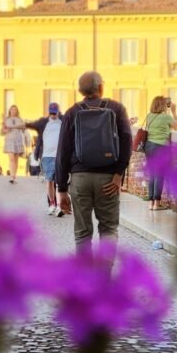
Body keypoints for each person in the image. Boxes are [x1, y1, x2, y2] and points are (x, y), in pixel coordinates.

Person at [55, 71, 132, 259]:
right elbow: (127, 141)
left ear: (81, 90)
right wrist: (118, 173)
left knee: (82, 233)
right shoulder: (117, 108)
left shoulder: (73, 112)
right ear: (101, 87)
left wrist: (62, 189)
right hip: (108, 178)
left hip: (80, 179)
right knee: (108, 230)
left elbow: (62, 153)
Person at [26, 102, 64, 215]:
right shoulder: (43, 122)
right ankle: (51, 204)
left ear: (58, 111)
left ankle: (58, 206)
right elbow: (30, 124)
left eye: (55, 113)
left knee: (59, 182)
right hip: (47, 156)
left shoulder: (63, 121)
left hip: (60, 156)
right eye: (51, 113)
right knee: (50, 181)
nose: (53, 115)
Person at [144, 96, 177, 211]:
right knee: (159, 175)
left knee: (152, 174)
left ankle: (150, 202)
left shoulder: (149, 116)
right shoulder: (166, 117)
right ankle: (156, 204)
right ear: (162, 105)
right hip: (160, 147)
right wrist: (174, 111)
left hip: (148, 146)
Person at [0, 104, 26, 183]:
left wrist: (14, 127)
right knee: (11, 158)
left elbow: (23, 128)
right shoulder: (6, 120)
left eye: (15, 109)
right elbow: (1, 132)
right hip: (9, 140)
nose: (13, 111)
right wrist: (5, 130)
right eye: (12, 109)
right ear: (10, 111)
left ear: (17, 111)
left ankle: (14, 175)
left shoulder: (20, 119)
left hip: (17, 140)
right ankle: (12, 176)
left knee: (16, 159)